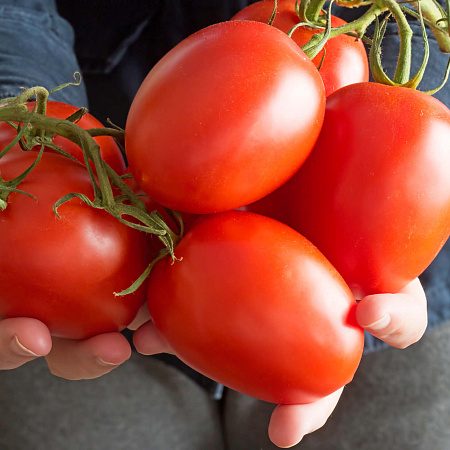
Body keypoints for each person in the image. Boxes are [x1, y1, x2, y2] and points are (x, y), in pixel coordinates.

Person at [0, 1, 449, 449]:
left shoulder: (305, 55)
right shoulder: (275, 46)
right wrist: (14, 123)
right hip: (113, 243)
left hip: (357, 304)